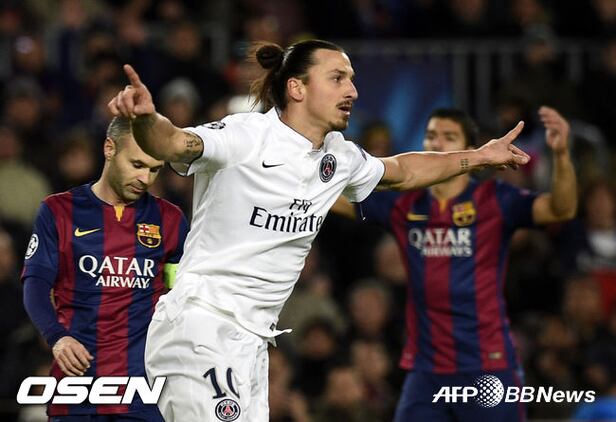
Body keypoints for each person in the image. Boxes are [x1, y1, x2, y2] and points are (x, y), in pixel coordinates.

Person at [108, 39, 530, 421]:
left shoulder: (339, 156)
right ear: (297, 88)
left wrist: (478, 156)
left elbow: (403, 171)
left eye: (352, 79)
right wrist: (146, 119)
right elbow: (174, 142)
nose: (353, 91)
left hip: (252, 340)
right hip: (202, 327)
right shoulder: (246, 135)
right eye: (338, 78)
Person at [331, 107, 577, 421]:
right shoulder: (403, 202)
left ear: (470, 150)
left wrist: (562, 156)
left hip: (487, 365)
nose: (437, 143)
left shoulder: (495, 199)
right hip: (426, 369)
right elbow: (330, 198)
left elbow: (560, 210)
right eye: (431, 135)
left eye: (449, 137)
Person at [20, 116, 189, 421]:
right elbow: (35, 284)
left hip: (144, 390)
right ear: (110, 148)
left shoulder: (171, 220)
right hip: (77, 386)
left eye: (154, 169)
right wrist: (57, 337)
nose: (145, 178)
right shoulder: (58, 211)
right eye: (137, 164)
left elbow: (182, 295)